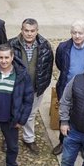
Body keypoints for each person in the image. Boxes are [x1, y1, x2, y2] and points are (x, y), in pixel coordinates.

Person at [53, 20, 84, 155]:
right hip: (67, 87)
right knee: (64, 113)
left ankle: (82, 144)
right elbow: (60, 64)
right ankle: (62, 141)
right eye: (74, 33)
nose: (77, 36)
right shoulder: (63, 47)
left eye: (80, 33)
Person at [8, 18, 54, 155]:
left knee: (30, 114)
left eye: (32, 31)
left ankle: (28, 138)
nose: (29, 34)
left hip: (35, 88)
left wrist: (42, 86)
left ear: (37, 31)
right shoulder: (11, 44)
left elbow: (48, 68)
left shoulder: (45, 46)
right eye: (26, 30)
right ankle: (9, 138)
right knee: (11, 113)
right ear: (21, 30)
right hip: (15, 88)